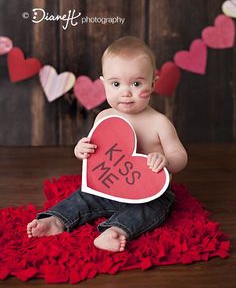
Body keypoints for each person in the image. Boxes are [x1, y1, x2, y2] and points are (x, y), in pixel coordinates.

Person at [27, 36, 188, 252]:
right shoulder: (104, 118)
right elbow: (96, 152)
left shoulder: (159, 122)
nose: (126, 92)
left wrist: (166, 161)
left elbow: (180, 156)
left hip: (149, 192)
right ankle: (56, 220)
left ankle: (116, 230)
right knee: (83, 197)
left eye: (137, 83)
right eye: (115, 84)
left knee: (153, 209)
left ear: (153, 83)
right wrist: (81, 149)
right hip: (109, 186)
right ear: (104, 84)